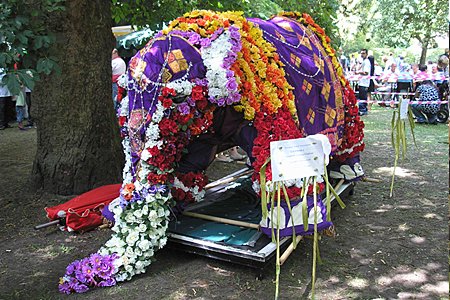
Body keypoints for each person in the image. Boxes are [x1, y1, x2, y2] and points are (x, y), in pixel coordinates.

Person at [356, 49, 371, 115]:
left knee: (363, 97)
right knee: (361, 96)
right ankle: (363, 109)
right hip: (361, 82)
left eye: (364, 53)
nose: (362, 54)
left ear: (367, 54)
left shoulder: (367, 62)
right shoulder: (363, 61)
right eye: (361, 53)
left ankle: (363, 110)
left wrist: (358, 72)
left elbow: (366, 72)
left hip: (364, 83)